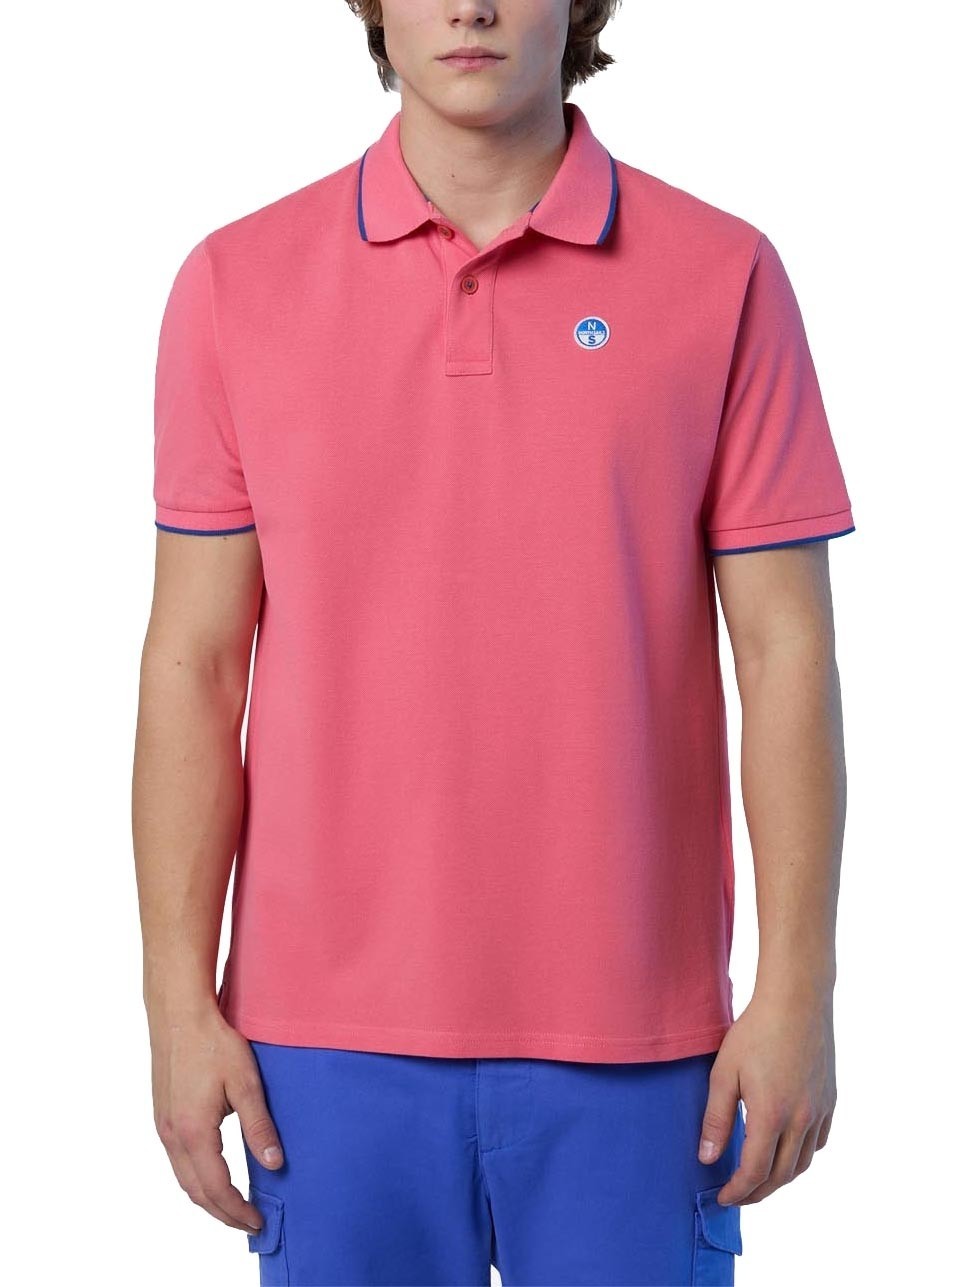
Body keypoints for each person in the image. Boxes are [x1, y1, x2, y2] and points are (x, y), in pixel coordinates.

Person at [132, 2, 855, 1283]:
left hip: (643, 1044)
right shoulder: (236, 283)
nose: (470, 5)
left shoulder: (723, 273)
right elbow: (195, 668)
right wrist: (175, 1004)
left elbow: (785, 652)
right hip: (322, 1047)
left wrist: (799, 988)